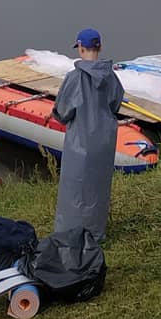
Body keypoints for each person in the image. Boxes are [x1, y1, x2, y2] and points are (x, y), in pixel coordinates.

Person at [51, 27, 125, 241]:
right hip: (104, 141)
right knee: (98, 186)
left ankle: (69, 235)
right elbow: (115, 104)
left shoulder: (74, 78)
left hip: (80, 141)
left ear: (80, 47)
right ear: (100, 47)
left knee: (74, 188)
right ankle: (95, 233)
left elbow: (63, 112)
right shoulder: (111, 77)